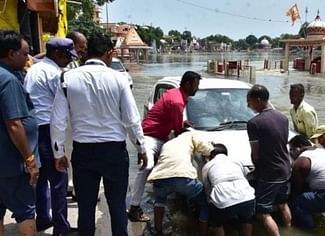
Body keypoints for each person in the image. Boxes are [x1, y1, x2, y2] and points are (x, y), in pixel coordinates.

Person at [50, 32, 146, 236]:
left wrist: (58, 153)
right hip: (114, 152)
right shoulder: (119, 78)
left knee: (86, 208)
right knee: (117, 206)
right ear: (109, 53)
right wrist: (141, 147)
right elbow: (131, 119)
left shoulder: (67, 78)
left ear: (86, 53)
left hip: (83, 152)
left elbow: (57, 120)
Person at [128, 71, 202, 222]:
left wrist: (182, 123)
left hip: (161, 136)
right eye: (196, 85)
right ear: (188, 84)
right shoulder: (177, 101)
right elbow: (178, 131)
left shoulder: (178, 95)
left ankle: (160, 196)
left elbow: (175, 123)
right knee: (147, 166)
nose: (197, 88)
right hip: (150, 136)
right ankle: (134, 206)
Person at [24, 37, 76, 235]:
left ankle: (43, 218)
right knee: (59, 179)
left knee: (40, 178)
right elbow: (63, 104)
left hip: (32, 128)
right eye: (67, 57)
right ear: (57, 54)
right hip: (48, 129)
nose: (69, 61)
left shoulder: (34, 70)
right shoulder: (54, 73)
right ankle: (61, 227)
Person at [0, 30, 39, 236]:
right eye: (24, 54)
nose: (28, 59)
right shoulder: (8, 81)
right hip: (12, 165)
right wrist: (30, 160)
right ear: (11, 53)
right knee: (25, 212)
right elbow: (14, 124)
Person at [146, 131, 213, 235]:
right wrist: (211, 149)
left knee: (159, 200)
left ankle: (158, 230)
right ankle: (202, 233)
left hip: (161, 176)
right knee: (204, 203)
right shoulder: (190, 135)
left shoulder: (167, 143)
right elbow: (207, 149)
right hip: (183, 176)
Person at [246, 84, 292, 236]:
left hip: (269, 173)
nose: (248, 105)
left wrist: (256, 168)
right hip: (285, 169)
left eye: (250, 101)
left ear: (258, 100)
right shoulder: (283, 118)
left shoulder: (254, 123)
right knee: (282, 204)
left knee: (263, 212)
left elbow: (255, 154)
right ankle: (290, 230)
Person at [202, 143, 256, 236]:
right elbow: (245, 175)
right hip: (247, 196)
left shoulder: (207, 166)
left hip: (223, 201)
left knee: (217, 223)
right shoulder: (236, 161)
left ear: (212, 155)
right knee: (247, 220)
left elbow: (206, 188)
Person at [65, 31, 88, 200]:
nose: (83, 50)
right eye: (81, 47)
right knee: (69, 152)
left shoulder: (73, 64)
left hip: (73, 118)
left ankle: (73, 186)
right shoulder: (65, 66)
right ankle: (73, 187)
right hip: (67, 119)